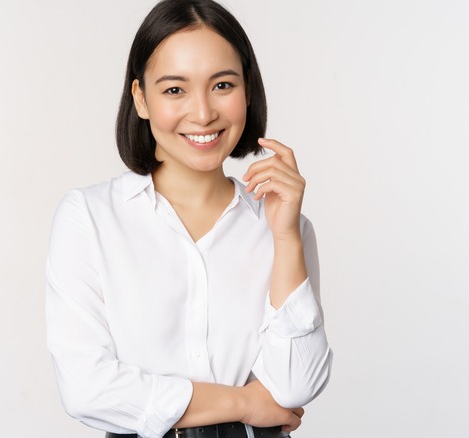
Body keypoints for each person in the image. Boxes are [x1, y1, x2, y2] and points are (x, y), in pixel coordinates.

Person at [45, 1, 333, 437]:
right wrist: (244, 403)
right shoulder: (90, 217)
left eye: (222, 85)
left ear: (248, 90)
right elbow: (88, 389)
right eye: (175, 90)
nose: (202, 113)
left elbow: (295, 386)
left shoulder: (285, 227)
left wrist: (286, 237)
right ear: (141, 98)